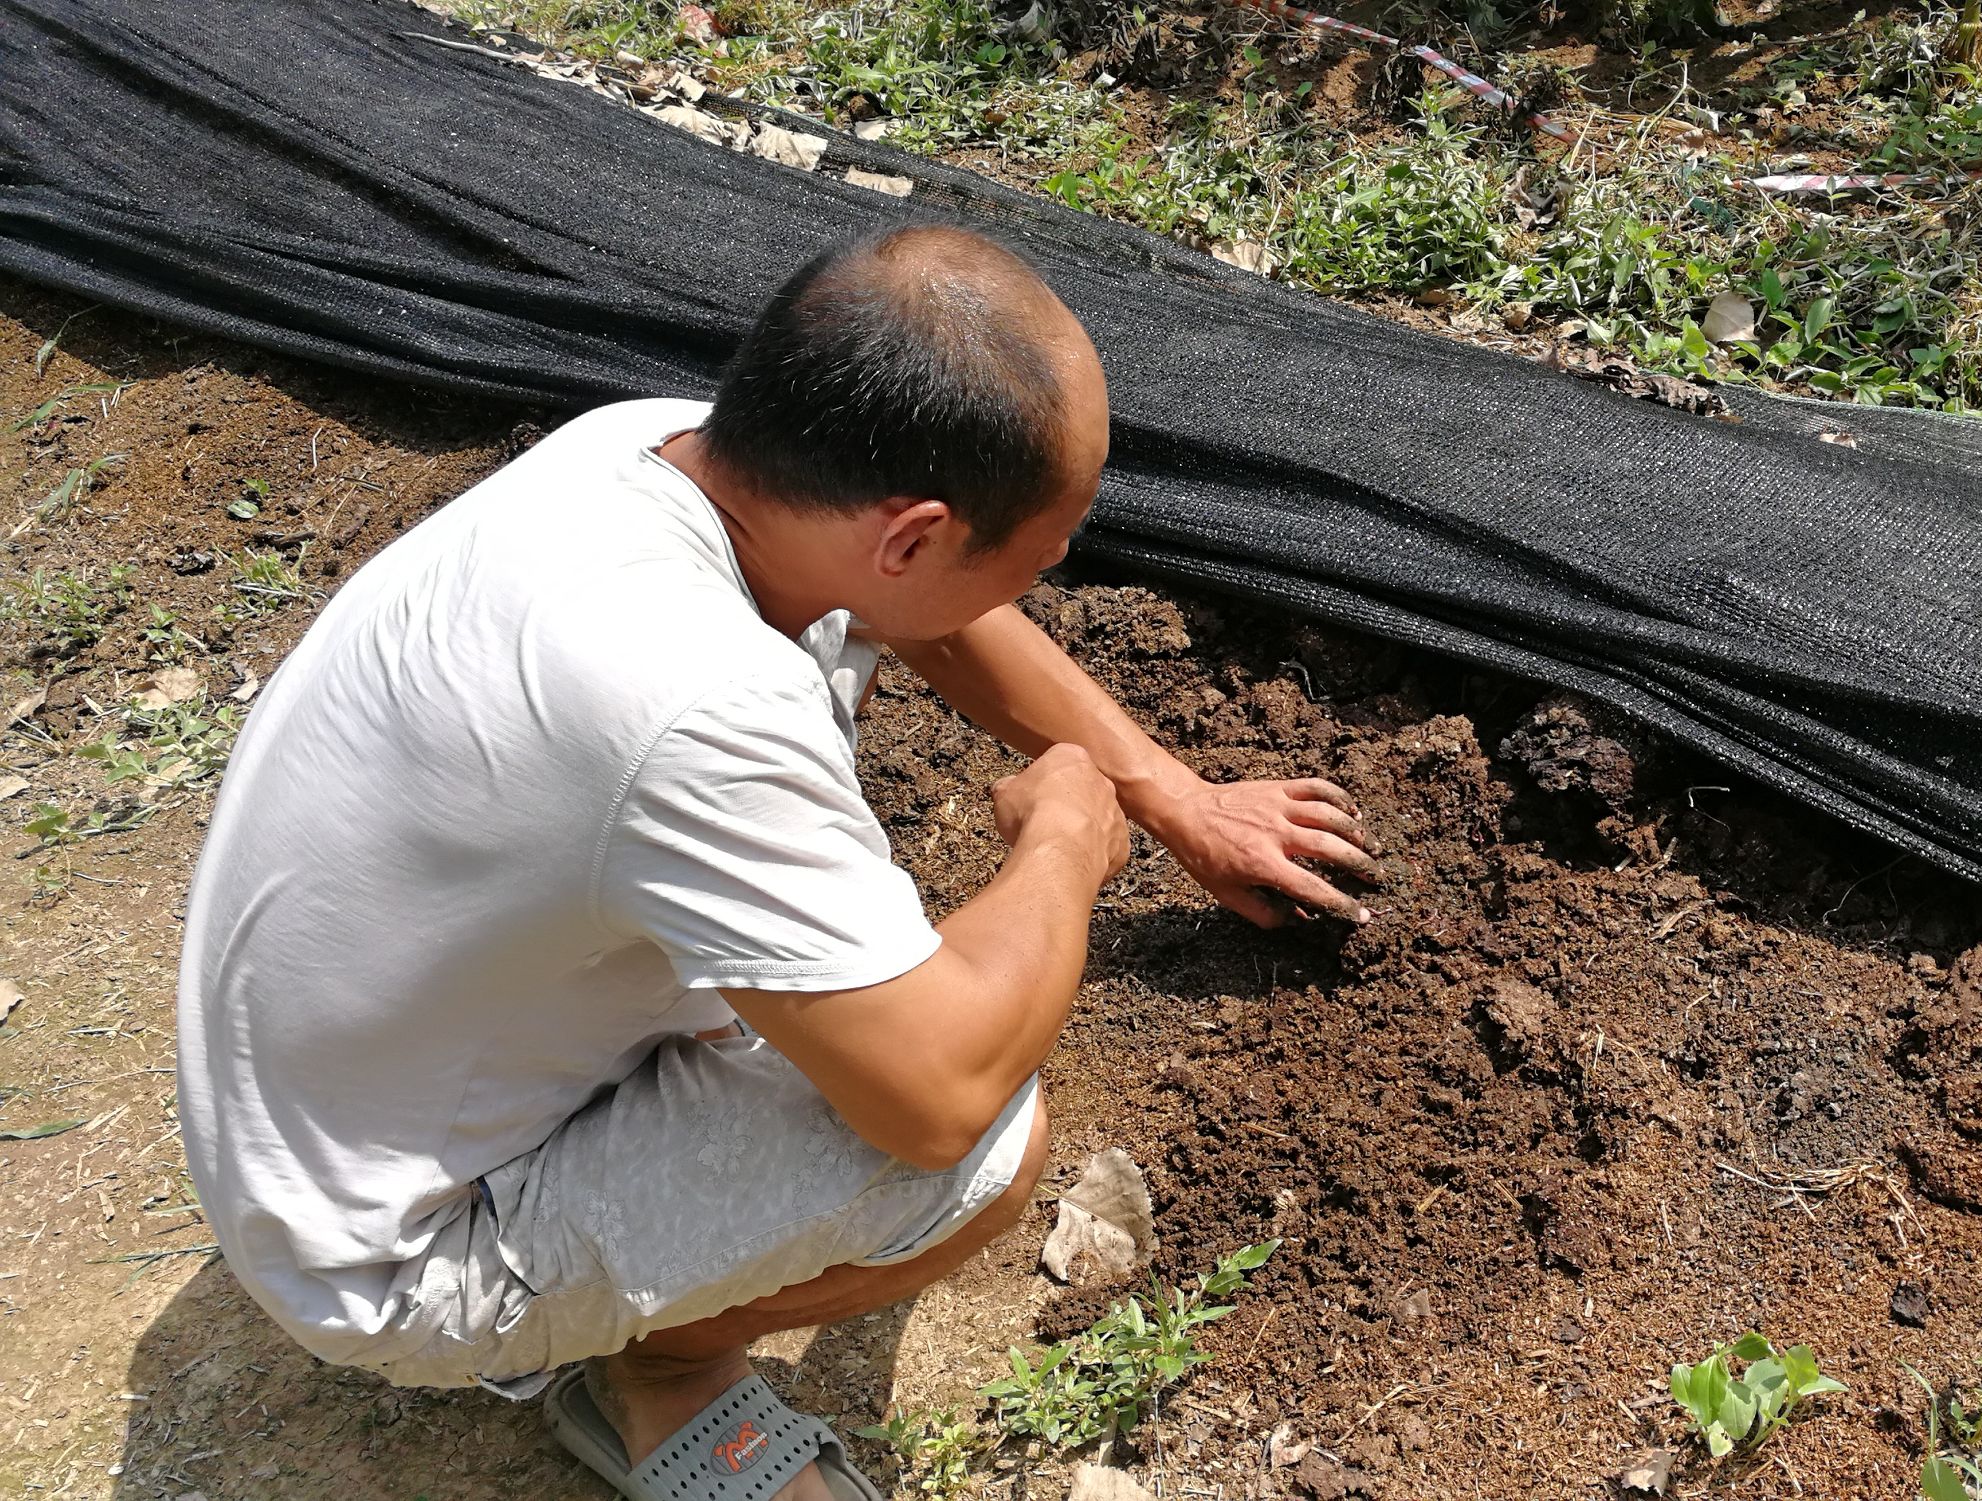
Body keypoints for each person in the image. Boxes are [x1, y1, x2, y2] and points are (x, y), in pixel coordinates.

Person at [175, 226, 1379, 1501]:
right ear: (911, 535)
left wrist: (1171, 792)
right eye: (1048, 543)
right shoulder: (695, 709)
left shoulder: (653, 450)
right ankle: (656, 1367)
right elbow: (939, 1091)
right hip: (390, 1246)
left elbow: (941, 618)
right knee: (975, 1155)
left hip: (331, 1094)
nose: (1057, 567)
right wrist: (1069, 844)